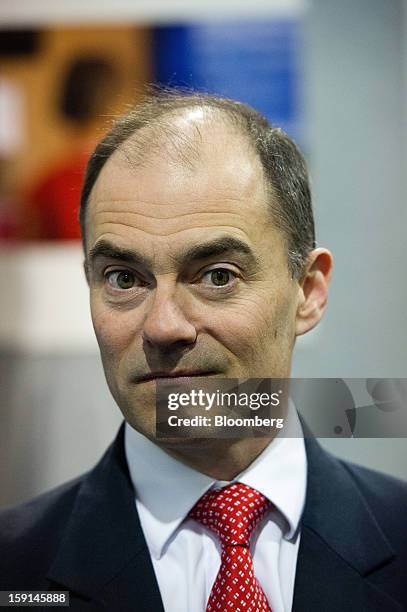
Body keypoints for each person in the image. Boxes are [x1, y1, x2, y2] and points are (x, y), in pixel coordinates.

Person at [1, 91, 406, 611]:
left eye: (217, 276)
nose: (164, 326)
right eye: (124, 279)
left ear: (307, 292)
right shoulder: (17, 571)